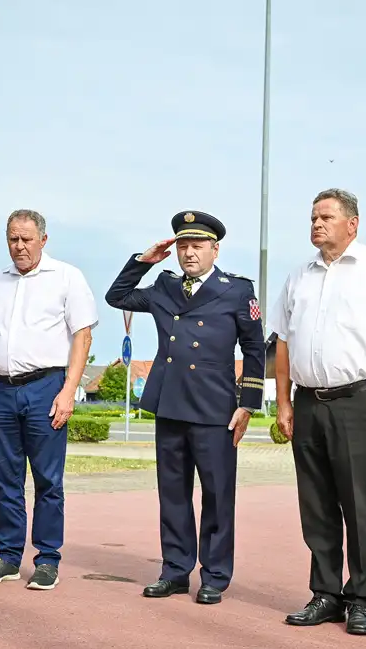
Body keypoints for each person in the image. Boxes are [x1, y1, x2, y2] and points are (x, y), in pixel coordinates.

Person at [104, 210, 265, 605]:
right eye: (183, 246)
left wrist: (248, 404)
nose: (189, 253)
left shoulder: (237, 290)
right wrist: (144, 260)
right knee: (173, 494)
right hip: (171, 403)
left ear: (215, 249)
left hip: (215, 408)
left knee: (217, 494)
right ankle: (175, 571)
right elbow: (117, 296)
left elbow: (254, 348)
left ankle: (214, 575)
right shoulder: (164, 286)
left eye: (197, 246)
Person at [269, 188, 366, 636]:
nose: (316, 224)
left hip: (358, 402)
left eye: (326, 217)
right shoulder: (298, 277)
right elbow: (284, 344)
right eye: (312, 217)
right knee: (316, 505)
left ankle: (361, 599)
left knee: (359, 506)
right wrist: (285, 402)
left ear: (353, 223)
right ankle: (325, 594)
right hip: (309, 402)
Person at [0, 209, 98, 590]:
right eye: (12, 239)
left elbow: (83, 335)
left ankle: (47, 559)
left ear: (43, 240)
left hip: (46, 387)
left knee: (47, 479)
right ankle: (7, 557)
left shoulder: (67, 277)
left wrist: (68, 391)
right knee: (5, 478)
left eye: (26, 239)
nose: (19, 246)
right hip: (1, 388)